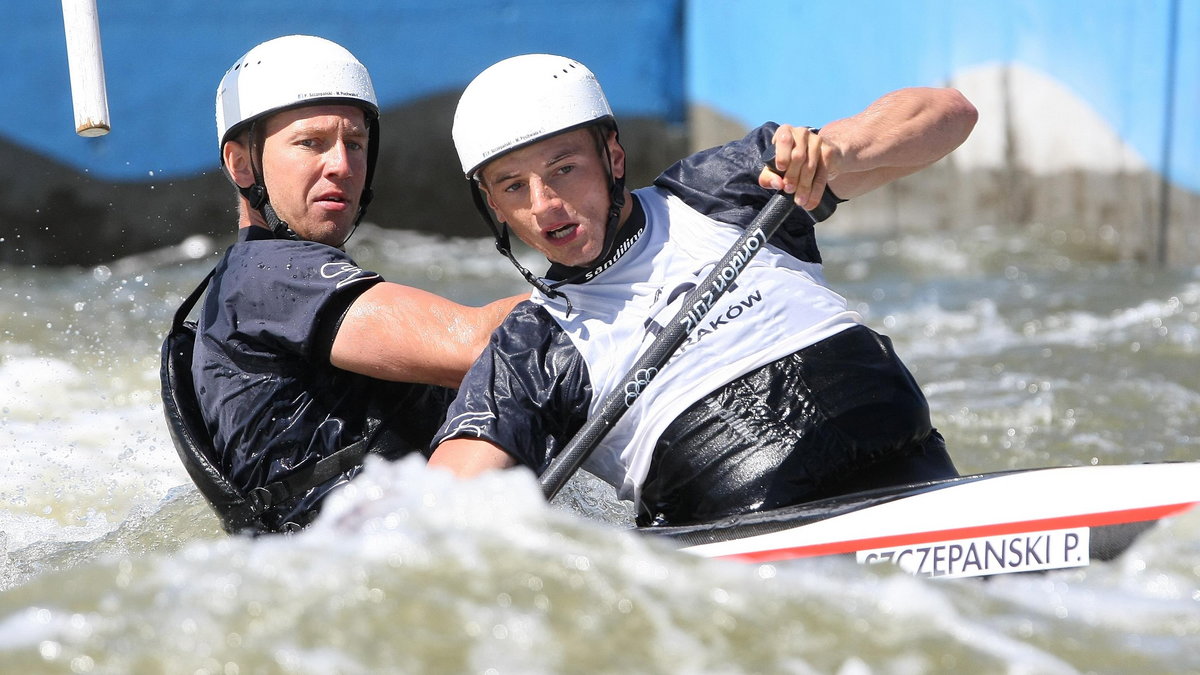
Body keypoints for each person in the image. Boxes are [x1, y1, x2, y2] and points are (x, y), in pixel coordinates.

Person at [426, 54, 978, 527]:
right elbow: (441, 503)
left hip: (913, 472)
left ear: (612, 158)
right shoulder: (531, 350)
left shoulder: (726, 188)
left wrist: (834, 150)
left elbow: (951, 114)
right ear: (495, 207)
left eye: (564, 169)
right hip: (751, 536)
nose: (545, 204)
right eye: (514, 187)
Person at [167, 35, 522, 534]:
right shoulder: (268, 276)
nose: (342, 165)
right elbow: (481, 344)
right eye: (311, 143)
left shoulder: (243, 283)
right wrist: (624, 281)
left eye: (354, 143)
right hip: (373, 565)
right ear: (242, 164)